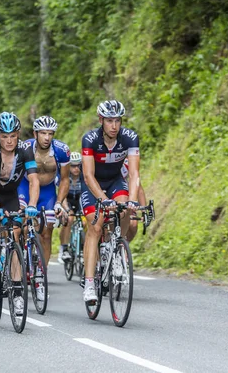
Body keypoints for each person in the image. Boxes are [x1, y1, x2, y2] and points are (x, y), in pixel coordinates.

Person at [0, 112, 39, 315]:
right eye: (4, 136)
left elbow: (34, 180)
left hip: (11, 194)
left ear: (18, 134)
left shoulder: (25, 150)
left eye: (13, 135)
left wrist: (31, 204)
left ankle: (18, 294)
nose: (9, 140)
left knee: (14, 236)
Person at [80, 100, 141, 303]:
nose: (114, 126)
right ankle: (89, 284)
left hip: (115, 181)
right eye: (109, 121)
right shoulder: (90, 139)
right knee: (95, 227)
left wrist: (132, 201)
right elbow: (88, 175)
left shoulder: (130, 138)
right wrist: (103, 200)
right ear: (101, 120)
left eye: (117, 121)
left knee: (124, 209)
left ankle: (117, 248)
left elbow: (133, 173)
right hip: (93, 184)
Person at [18, 116, 70, 270]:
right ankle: (19, 257)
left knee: (47, 233)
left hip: (47, 192)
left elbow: (65, 180)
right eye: (43, 133)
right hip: (25, 188)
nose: (47, 138)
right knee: (22, 225)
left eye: (50, 133)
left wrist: (59, 202)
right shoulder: (25, 147)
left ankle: (41, 275)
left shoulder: (61, 150)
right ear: (35, 134)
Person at [58, 151, 83, 262]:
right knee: (69, 218)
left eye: (79, 165)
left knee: (86, 221)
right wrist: (67, 210)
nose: (76, 168)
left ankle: (83, 247)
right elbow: (62, 196)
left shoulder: (84, 176)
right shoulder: (64, 176)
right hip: (67, 199)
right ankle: (64, 248)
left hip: (79, 199)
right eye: (73, 166)